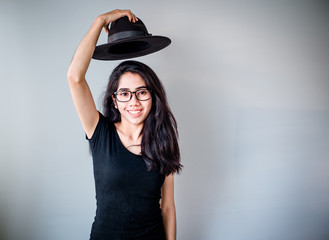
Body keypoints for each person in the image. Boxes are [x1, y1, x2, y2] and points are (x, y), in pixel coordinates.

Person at [67, 9, 182, 240]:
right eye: (125, 94)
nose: (134, 102)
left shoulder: (164, 139)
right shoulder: (100, 132)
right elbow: (75, 77)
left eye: (141, 92)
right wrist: (99, 22)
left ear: (153, 95)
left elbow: (168, 207)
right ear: (115, 101)